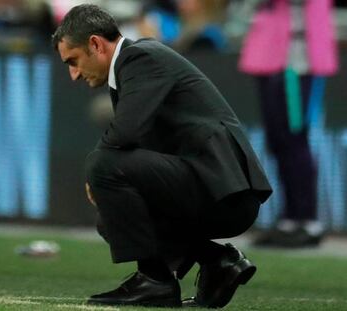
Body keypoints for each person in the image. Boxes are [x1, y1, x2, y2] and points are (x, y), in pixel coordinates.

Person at [52, 4, 272, 308]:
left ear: (95, 44)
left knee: (102, 165)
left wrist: (96, 173)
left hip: (226, 190)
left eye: (73, 61)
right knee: (111, 217)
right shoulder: (134, 67)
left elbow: (126, 133)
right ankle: (218, 261)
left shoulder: (140, 57)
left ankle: (155, 281)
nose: (73, 74)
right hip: (214, 185)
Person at [239, 0, 338, 247]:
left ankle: (307, 220)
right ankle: (289, 219)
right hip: (271, 56)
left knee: (295, 140)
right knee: (278, 141)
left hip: (298, 61)